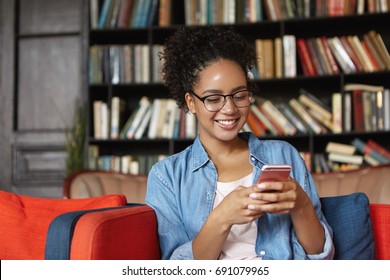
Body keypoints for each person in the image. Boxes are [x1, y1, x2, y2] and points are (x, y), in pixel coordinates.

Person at [145, 26, 334, 260]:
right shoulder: (167, 176)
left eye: (240, 95)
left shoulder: (283, 155)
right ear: (191, 103)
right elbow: (175, 269)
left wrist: (301, 204)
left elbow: (321, 256)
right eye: (213, 98)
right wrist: (222, 218)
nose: (230, 109)